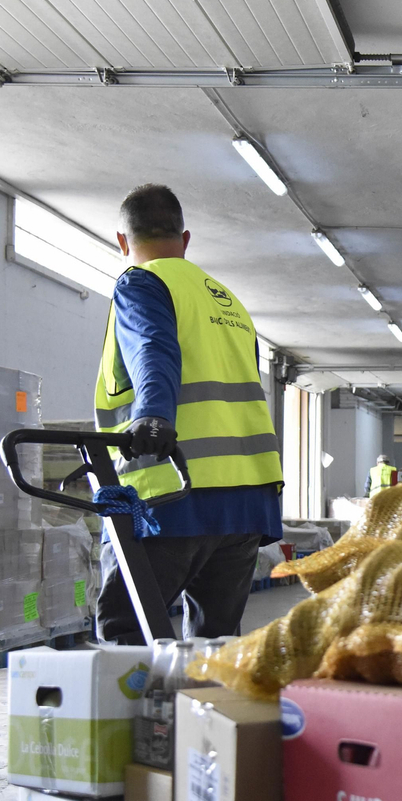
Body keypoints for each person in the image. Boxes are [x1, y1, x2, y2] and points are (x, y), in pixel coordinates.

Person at [93, 184, 282, 644]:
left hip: (171, 491)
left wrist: (154, 417)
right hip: (245, 501)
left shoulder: (140, 282)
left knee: (127, 633)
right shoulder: (228, 302)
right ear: (186, 238)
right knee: (214, 645)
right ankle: (207, 715)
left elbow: (153, 350)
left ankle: (130, 718)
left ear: (122, 241)